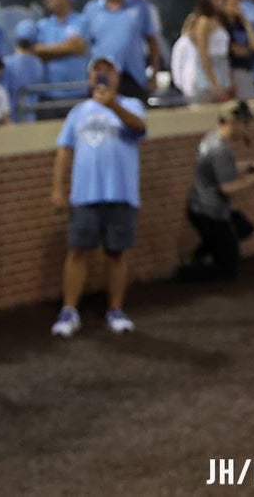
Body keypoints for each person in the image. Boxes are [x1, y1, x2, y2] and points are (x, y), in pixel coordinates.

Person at [50, 55, 147, 337]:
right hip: (85, 194)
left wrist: (112, 103)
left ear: (117, 75)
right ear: (90, 77)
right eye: (97, 71)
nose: (102, 75)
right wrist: (58, 188)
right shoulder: (77, 112)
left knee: (116, 253)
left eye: (107, 70)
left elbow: (139, 128)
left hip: (121, 193)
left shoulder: (130, 104)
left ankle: (115, 309)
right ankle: (69, 311)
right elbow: (64, 150)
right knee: (78, 251)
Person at [178, 101, 254, 282]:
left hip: (201, 207)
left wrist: (249, 166)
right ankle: (186, 274)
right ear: (234, 122)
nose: (247, 129)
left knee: (243, 227)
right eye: (245, 124)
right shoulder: (220, 149)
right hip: (208, 211)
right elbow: (227, 187)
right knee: (229, 271)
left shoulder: (212, 138)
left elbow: (220, 169)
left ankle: (201, 254)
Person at [81, 0, 160, 102]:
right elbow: (85, 45)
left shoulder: (139, 6)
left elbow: (152, 41)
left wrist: (154, 74)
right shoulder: (91, 9)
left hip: (133, 75)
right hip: (102, 78)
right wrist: (89, 74)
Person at [33, 0, 89, 114]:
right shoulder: (43, 25)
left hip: (77, 94)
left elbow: (79, 47)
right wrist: (67, 47)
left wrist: (48, 51)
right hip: (49, 95)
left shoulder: (82, 22)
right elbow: (37, 52)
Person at [186, 0, 232, 103]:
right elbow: (203, 53)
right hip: (210, 70)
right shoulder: (204, 22)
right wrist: (213, 82)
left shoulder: (220, 20)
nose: (220, 2)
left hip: (222, 67)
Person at [3, 19, 48, 122]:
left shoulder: (7, 63)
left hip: (11, 115)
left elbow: (4, 91)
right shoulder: (39, 64)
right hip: (33, 115)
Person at [224, 0, 254, 100]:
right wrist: (248, 50)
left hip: (247, 70)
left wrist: (245, 20)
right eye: (234, 2)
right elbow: (236, 50)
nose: (237, 6)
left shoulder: (241, 24)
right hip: (232, 71)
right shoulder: (224, 25)